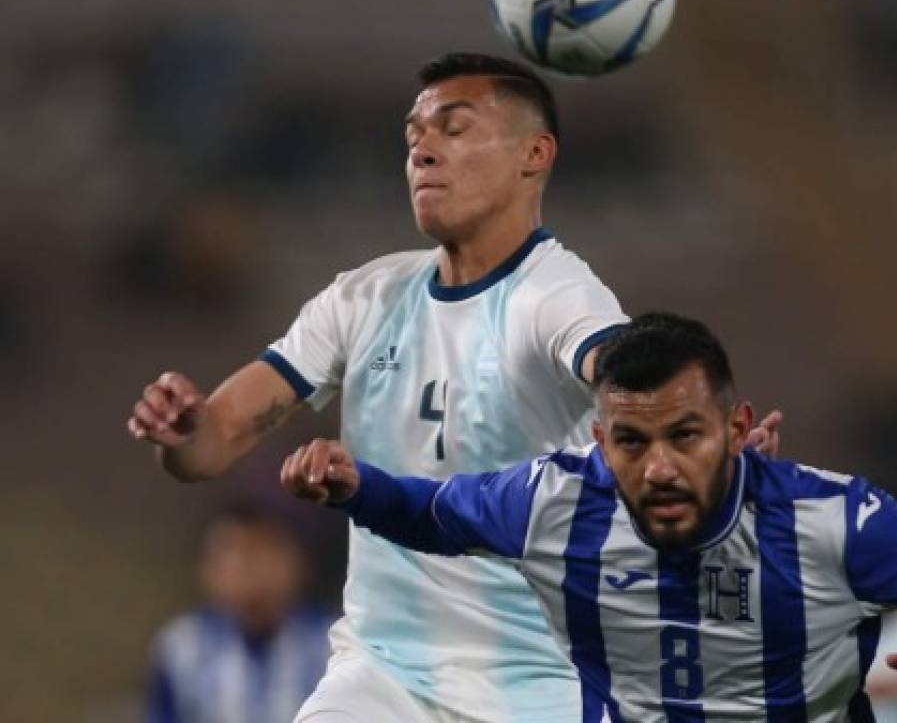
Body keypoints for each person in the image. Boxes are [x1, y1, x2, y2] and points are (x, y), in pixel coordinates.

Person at [127, 52, 784, 721]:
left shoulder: (553, 294)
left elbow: (622, 370)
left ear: (534, 153)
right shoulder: (364, 298)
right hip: (382, 675)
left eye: (455, 128)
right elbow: (211, 443)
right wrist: (185, 430)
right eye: (414, 137)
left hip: (537, 682)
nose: (424, 151)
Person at [282, 312, 897, 722]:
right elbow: (433, 512)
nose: (659, 466)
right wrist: (356, 485)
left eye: (686, 435)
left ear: (737, 426)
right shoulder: (557, 502)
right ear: (599, 439)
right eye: (631, 440)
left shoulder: (830, 520)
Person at [146, 504, 332, 723]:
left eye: (264, 551)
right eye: (234, 553)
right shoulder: (182, 647)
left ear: (298, 562)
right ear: (207, 569)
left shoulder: (335, 643)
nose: (249, 568)